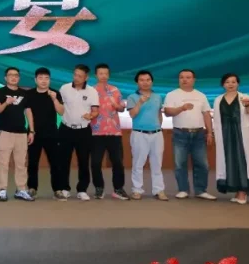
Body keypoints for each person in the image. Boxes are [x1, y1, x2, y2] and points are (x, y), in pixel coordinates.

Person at [213, 73, 249, 205]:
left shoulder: (245, 97)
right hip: (226, 135)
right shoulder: (218, 99)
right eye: (227, 82)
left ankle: (243, 192)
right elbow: (217, 119)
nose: (230, 84)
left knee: (243, 161)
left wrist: (247, 106)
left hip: (241, 135)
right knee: (230, 161)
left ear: (238, 84)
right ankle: (237, 191)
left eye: (233, 82)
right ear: (223, 84)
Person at [164, 69, 215, 200]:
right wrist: (182, 108)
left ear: (194, 80)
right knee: (180, 163)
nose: (184, 80)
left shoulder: (201, 95)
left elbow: (206, 114)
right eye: (181, 77)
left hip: (199, 133)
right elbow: (167, 112)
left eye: (188, 77)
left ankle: (201, 190)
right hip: (180, 133)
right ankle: (183, 189)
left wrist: (210, 132)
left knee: (202, 164)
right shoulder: (172, 94)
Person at [58, 64, 99, 201]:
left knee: (83, 160)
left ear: (86, 77)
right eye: (75, 74)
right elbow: (59, 107)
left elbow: (95, 111)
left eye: (80, 76)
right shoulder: (64, 88)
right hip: (66, 129)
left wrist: (91, 115)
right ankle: (64, 188)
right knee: (64, 160)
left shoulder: (92, 91)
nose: (76, 78)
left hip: (83, 131)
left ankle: (82, 189)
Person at [0, 67, 33, 202]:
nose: (13, 77)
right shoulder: (0, 92)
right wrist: (6, 102)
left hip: (21, 133)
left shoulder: (24, 93)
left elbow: (28, 112)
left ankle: (21, 189)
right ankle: (2, 190)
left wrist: (31, 130)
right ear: (6, 78)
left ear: (19, 78)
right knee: (3, 163)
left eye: (16, 75)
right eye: (10, 75)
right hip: (5, 132)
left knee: (21, 163)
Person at [90, 64, 129, 200]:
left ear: (109, 75)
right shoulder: (91, 91)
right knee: (95, 162)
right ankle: (99, 188)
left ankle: (118, 189)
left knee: (117, 162)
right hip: (96, 132)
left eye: (106, 73)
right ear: (96, 75)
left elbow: (121, 108)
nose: (103, 76)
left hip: (114, 132)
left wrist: (118, 106)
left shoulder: (115, 90)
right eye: (101, 73)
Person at [24, 67, 64, 200]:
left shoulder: (55, 93)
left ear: (50, 80)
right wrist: (31, 130)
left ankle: (57, 189)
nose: (44, 81)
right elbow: (28, 112)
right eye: (40, 78)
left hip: (52, 133)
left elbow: (61, 112)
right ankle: (32, 188)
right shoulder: (29, 94)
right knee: (32, 162)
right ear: (35, 80)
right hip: (34, 133)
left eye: (46, 78)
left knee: (55, 163)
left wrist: (54, 99)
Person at [127, 70, 167, 201]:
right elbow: (132, 114)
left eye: (148, 80)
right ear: (137, 82)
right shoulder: (132, 97)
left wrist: (159, 127)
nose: (145, 82)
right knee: (138, 163)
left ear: (152, 81)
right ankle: (137, 190)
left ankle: (159, 190)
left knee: (157, 163)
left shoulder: (158, 96)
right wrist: (140, 102)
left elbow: (159, 114)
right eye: (142, 80)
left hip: (157, 134)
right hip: (139, 134)